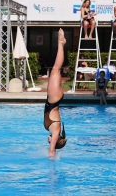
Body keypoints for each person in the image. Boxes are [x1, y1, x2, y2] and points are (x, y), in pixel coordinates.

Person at [44, 28, 67, 157]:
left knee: (55, 70)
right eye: (52, 142)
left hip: (52, 100)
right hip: (53, 100)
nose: (49, 142)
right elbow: (52, 151)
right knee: (55, 69)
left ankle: (61, 44)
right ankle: (61, 44)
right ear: (56, 141)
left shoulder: (53, 131)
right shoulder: (56, 132)